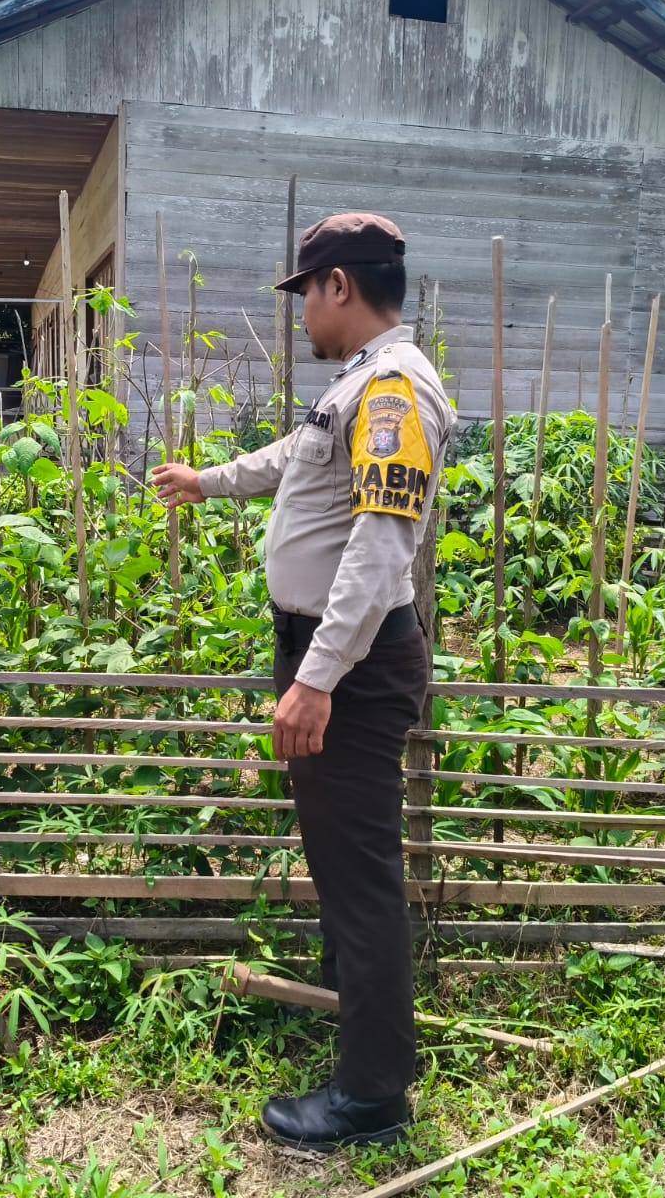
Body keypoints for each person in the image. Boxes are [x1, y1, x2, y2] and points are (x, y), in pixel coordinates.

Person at [153, 212, 455, 1152]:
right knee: (340, 861)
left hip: (350, 671)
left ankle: (372, 1097)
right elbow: (297, 456)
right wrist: (210, 480)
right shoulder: (359, 383)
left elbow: (381, 543)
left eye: (306, 295)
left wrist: (318, 678)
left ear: (338, 286)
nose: (303, 315)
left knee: (360, 877)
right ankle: (358, 1030)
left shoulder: (396, 389)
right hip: (331, 659)